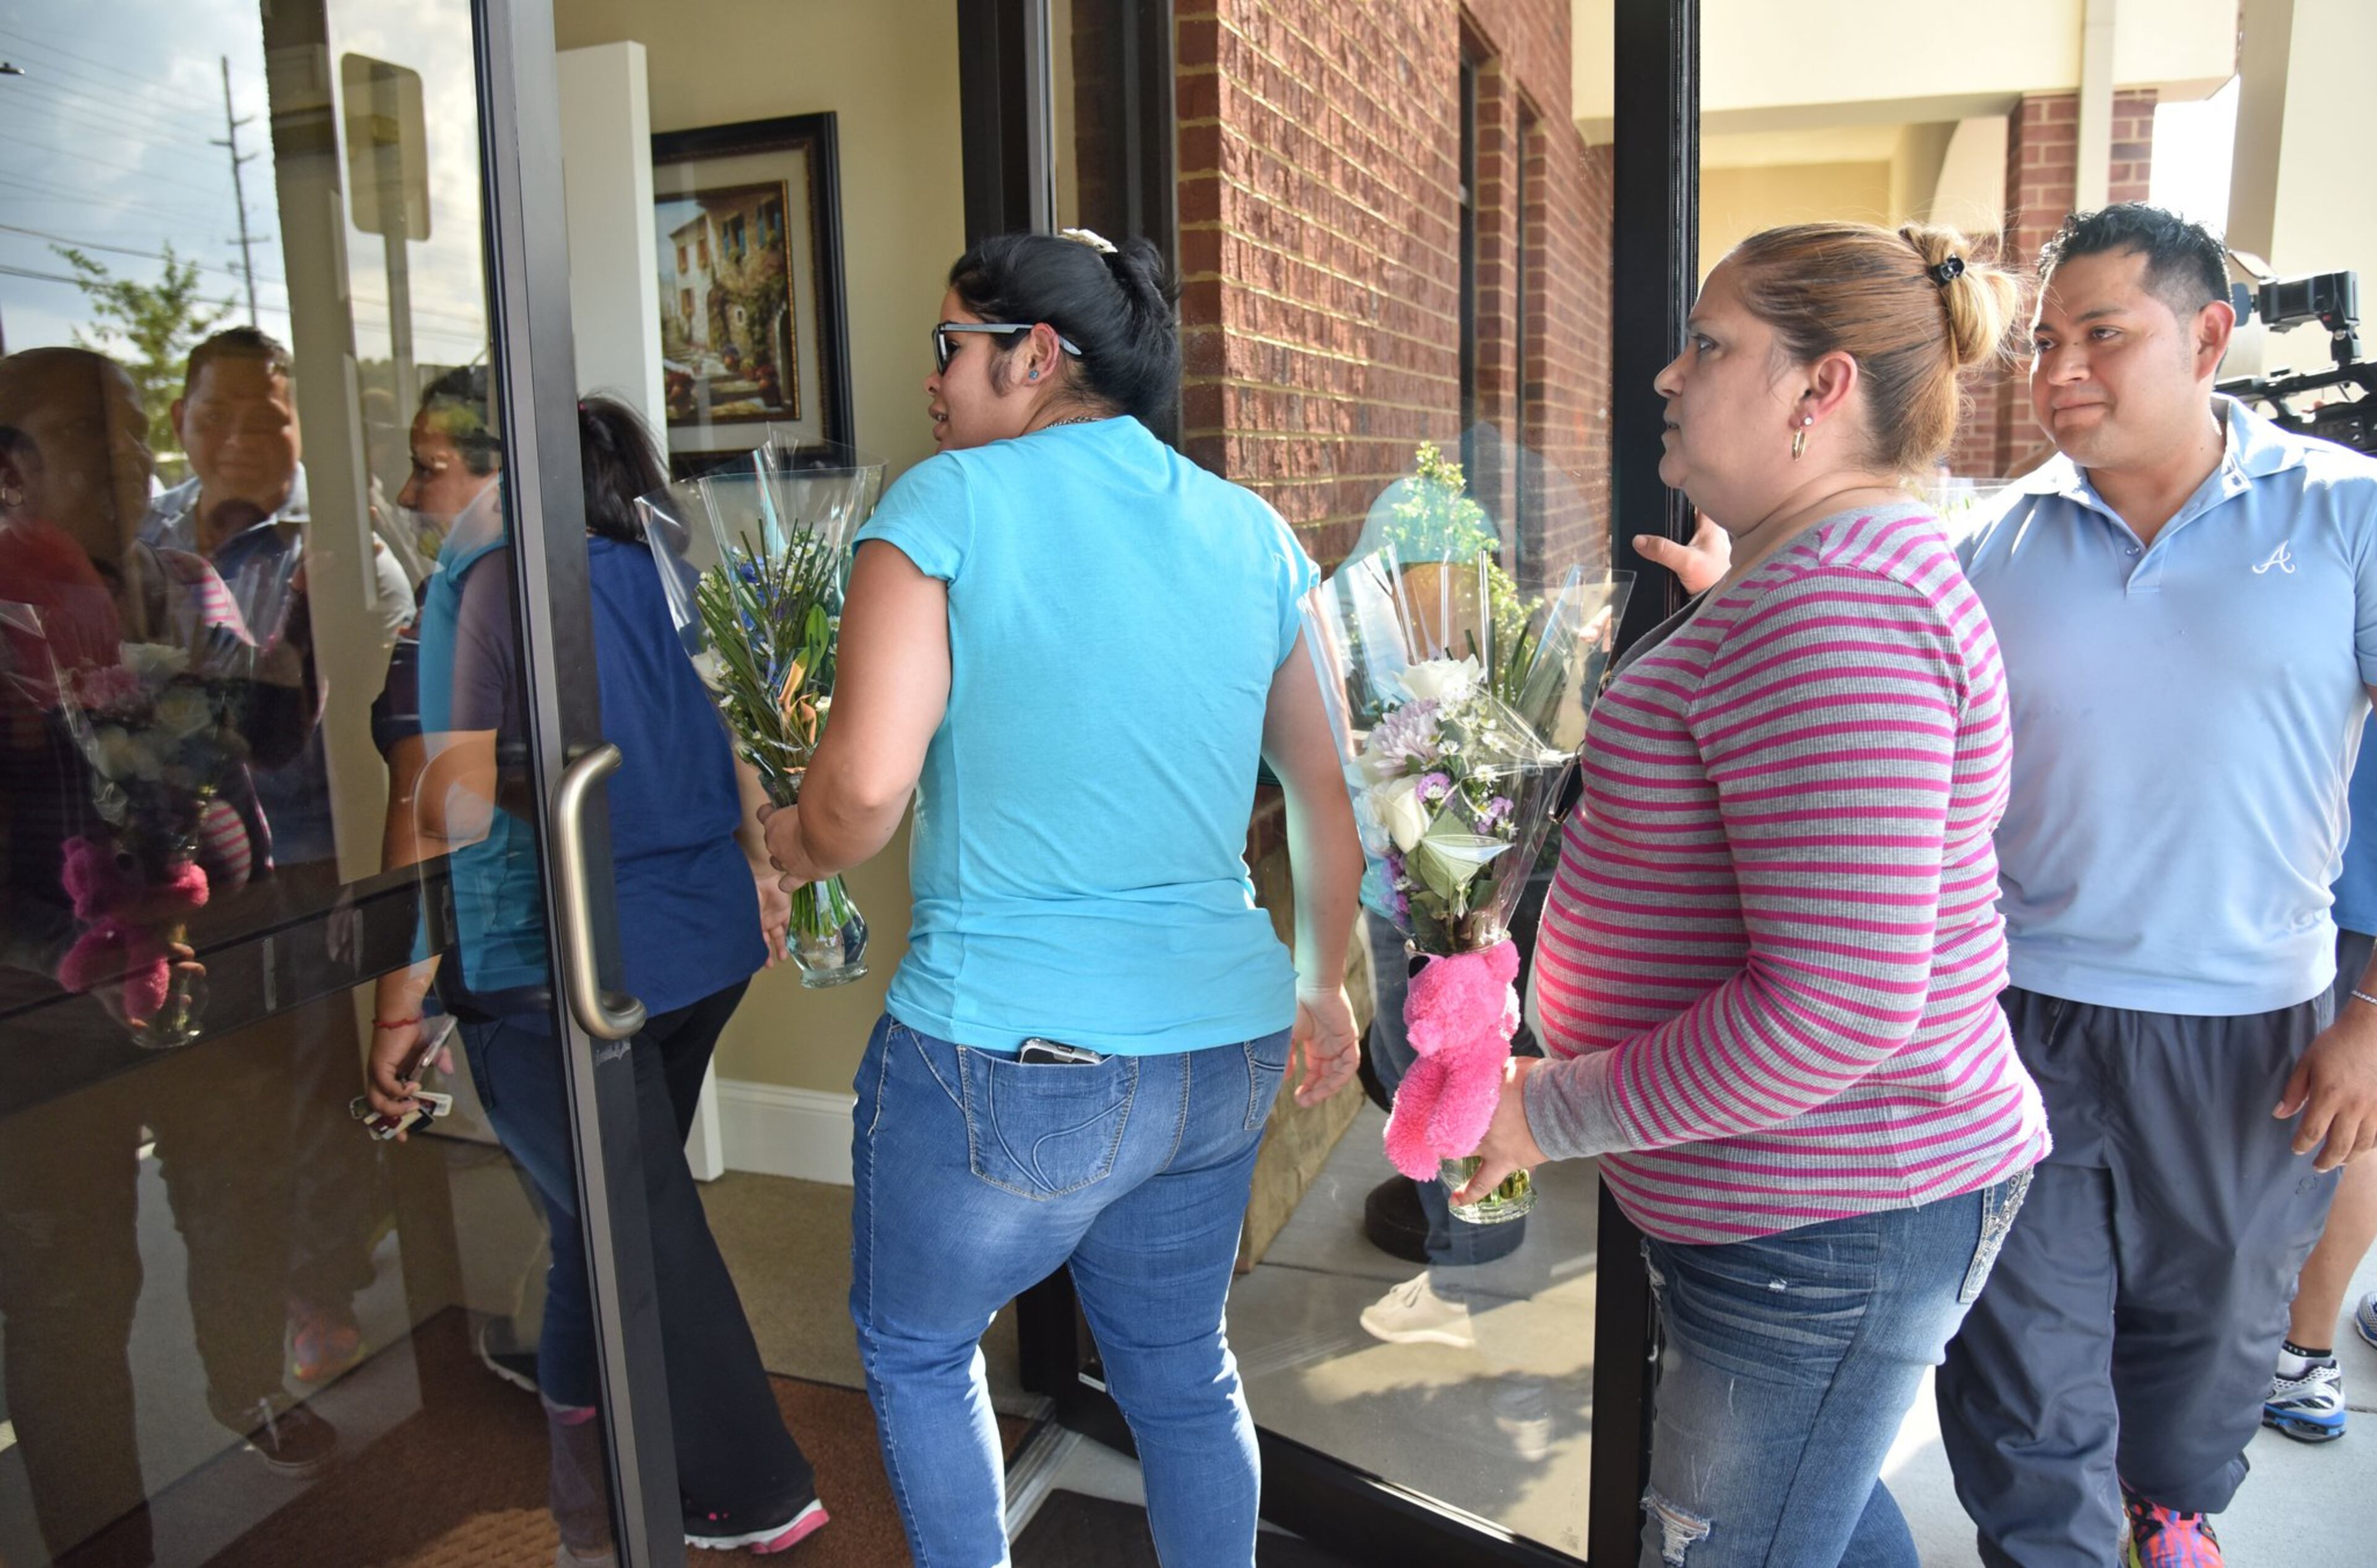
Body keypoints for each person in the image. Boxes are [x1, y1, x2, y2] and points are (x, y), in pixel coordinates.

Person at [759, 228, 1366, 1568]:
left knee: (919, 1350)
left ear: (1038, 357)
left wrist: (782, 846)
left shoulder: (945, 505)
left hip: (1016, 1053)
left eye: (950, 348)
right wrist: (1323, 980)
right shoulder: (1253, 530)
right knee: (1182, 1369)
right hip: (1222, 1051)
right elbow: (1330, 796)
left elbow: (859, 792)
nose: (932, 380)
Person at [1460, 221, 2050, 1568]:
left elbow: (1840, 1007)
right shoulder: (1823, 583)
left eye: (1711, 345)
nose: (1670, 376)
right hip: (1813, 1211)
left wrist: (1546, 1109)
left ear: (1820, 389)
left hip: (1831, 1220)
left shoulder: (1838, 608)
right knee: (1814, 1522)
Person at [1925, 203, 2377, 1568]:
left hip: (2258, 1029)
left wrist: (2373, 1011)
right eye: (2047, 343)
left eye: (2103, 338)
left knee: (2216, 1331)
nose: (2062, 371)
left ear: (2211, 338)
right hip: (2021, 1017)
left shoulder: (2345, 513)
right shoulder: (1994, 544)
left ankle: (2169, 1504)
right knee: (2020, 1350)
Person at [363, 384, 824, 1560]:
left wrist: (398, 1001)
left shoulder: (484, 591)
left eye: (433, 467)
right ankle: (584, 1422)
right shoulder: (656, 567)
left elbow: (440, 809)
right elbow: (731, 743)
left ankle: (749, 1489)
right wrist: (765, 884)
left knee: (638, 1227)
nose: (417, 497)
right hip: (697, 948)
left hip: (557, 965)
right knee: (602, 1212)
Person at [2262, 710, 2377, 1442]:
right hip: (2321, 854)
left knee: (2339, 1112)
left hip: (2329, 864)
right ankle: (2304, 1358)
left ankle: (2303, 1359)